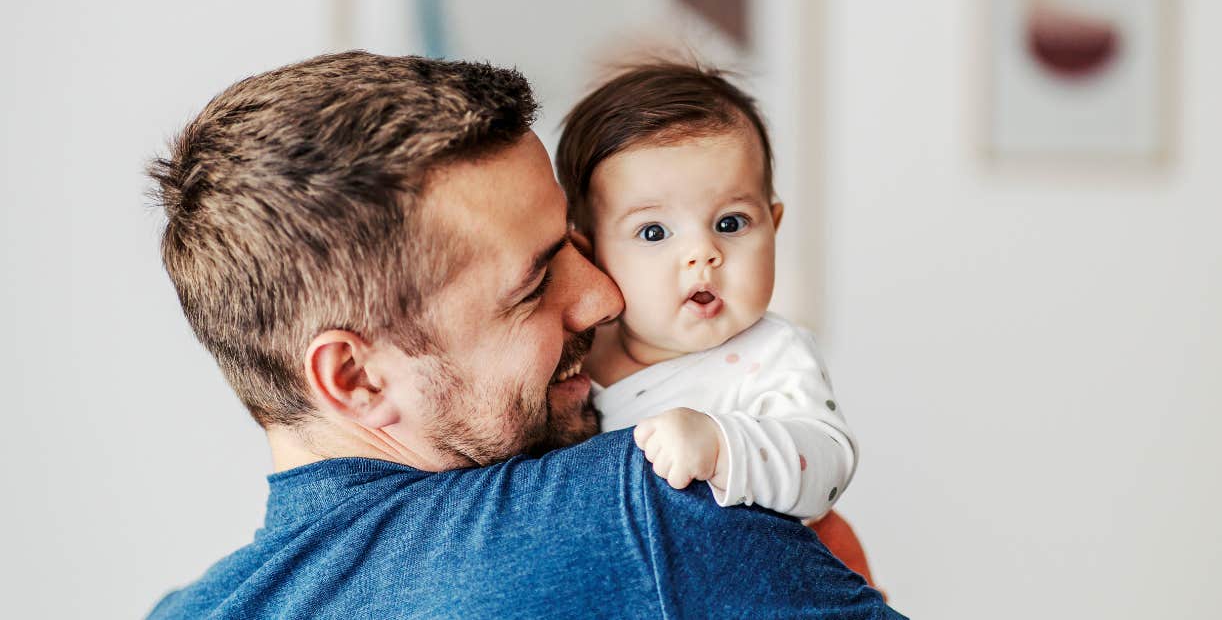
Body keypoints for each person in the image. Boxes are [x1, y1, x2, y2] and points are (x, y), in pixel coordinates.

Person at [144, 51, 902, 618]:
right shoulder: (648, 508)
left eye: (580, 245)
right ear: (356, 377)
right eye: (536, 283)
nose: (604, 296)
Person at [556, 63, 874, 583]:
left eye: (730, 223)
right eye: (654, 232)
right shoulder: (579, 356)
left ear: (773, 226)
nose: (702, 253)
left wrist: (721, 444)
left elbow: (828, 463)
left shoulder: (770, 352)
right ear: (591, 256)